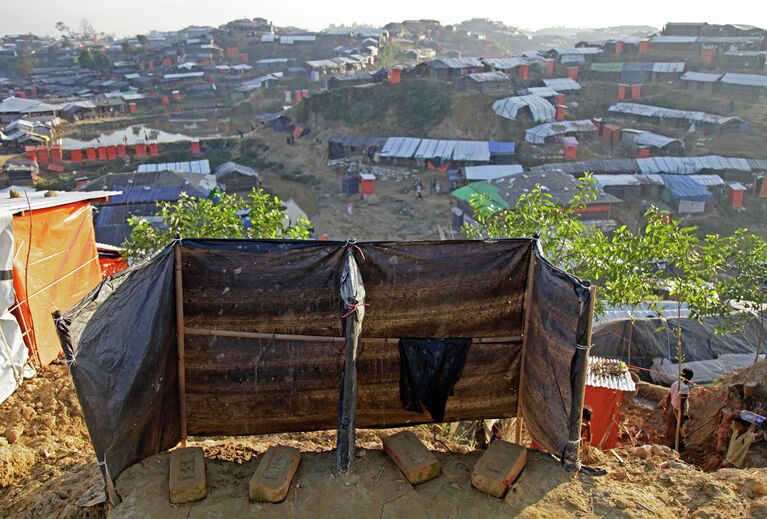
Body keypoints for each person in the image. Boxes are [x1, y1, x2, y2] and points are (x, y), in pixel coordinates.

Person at [664, 368, 693, 451]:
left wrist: (667, 408)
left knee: (673, 428)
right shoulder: (684, 388)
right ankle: (675, 448)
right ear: (689, 378)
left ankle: (675, 446)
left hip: (672, 408)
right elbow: (682, 404)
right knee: (677, 430)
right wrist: (681, 417)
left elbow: (669, 397)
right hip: (677, 411)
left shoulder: (675, 383)